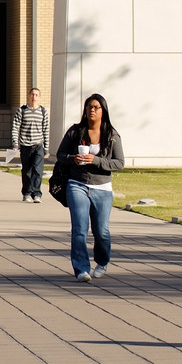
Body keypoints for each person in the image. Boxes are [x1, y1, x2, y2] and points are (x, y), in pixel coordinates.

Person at [55, 93, 124, 282]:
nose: (92, 110)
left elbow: (119, 163)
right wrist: (72, 159)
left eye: (96, 107)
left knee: (101, 231)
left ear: (103, 111)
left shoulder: (111, 134)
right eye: (89, 107)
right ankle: (81, 269)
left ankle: (102, 262)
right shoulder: (75, 131)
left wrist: (96, 160)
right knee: (79, 229)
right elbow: (60, 154)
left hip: (102, 188)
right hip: (77, 185)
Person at [11, 87, 49, 203]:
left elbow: (46, 129)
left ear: (39, 97)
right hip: (25, 145)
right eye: (32, 94)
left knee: (38, 170)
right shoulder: (21, 110)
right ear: (28, 96)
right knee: (27, 171)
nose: (34, 97)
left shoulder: (43, 111)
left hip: (38, 145)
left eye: (37, 95)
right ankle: (27, 193)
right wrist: (15, 143)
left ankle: (37, 193)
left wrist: (46, 146)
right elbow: (15, 127)